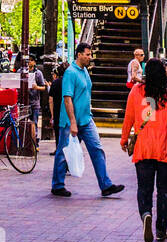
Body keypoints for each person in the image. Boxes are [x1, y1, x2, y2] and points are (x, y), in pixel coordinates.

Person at [121, 57, 167, 242]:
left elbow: (129, 117)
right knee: (164, 190)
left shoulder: (136, 91)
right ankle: (161, 229)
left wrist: (124, 139)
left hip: (144, 147)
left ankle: (146, 214)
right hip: (165, 149)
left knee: (144, 188)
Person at [51, 43, 124, 199]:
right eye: (87, 54)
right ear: (79, 54)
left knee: (97, 149)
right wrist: (73, 122)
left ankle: (106, 185)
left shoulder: (85, 72)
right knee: (63, 153)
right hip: (70, 121)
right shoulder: (71, 73)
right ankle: (57, 185)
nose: (90, 57)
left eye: (90, 54)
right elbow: (67, 99)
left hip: (86, 119)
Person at [26, 55, 47, 148]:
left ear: (34, 62)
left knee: (34, 122)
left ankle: (35, 143)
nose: (29, 62)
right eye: (28, 60)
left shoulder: (38, 73)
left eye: (31, 60)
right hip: (24, 103)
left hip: (34, 102)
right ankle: (26, 142)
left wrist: (36, 87)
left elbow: (43, 87)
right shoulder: (22, 72)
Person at [48, 61, 68, 147]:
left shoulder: (55, 83)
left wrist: (52, 114)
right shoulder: (70, 82)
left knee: (57, 131)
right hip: (68, 110)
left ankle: (58, 148)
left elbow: (51, 99)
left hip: (57, 110)